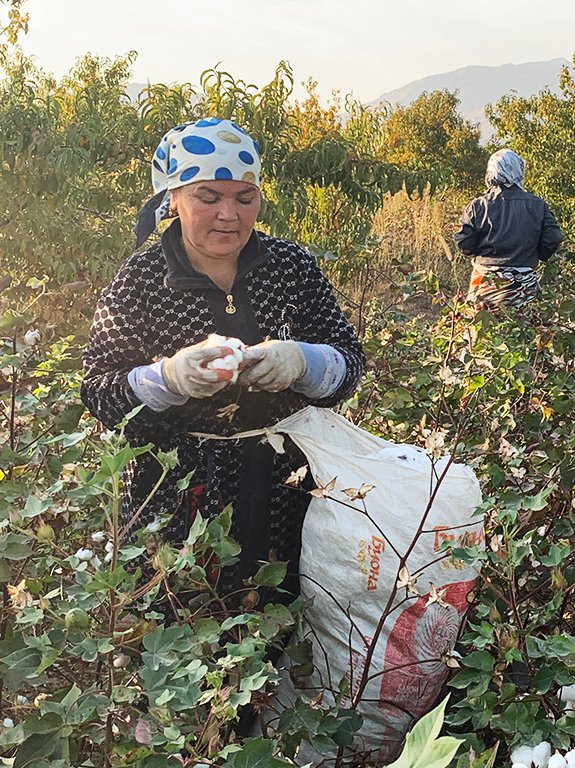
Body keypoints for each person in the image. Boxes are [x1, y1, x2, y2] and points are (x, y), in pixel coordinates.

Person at [81, 118, 364, 608]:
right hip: (177, 497)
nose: (229, 215)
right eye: (208, 197)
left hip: (287, 491)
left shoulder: (291, 267)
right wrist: (167, 377)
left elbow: (349, 363)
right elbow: (100, 390)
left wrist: (303, 361)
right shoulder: (143, 280)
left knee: (280, 620)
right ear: (172, 199)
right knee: (184, 630)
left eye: (244, 197)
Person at [454, 149, 563, 310]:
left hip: (485, 285)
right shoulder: (538, 205)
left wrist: (481, 252)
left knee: (480, 331)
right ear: (518, 171)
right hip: (524, 286)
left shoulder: (478, 206)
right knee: (527, 331)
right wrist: (538, 255)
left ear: (491, 173)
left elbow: (464, 243)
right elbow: (553, 237)